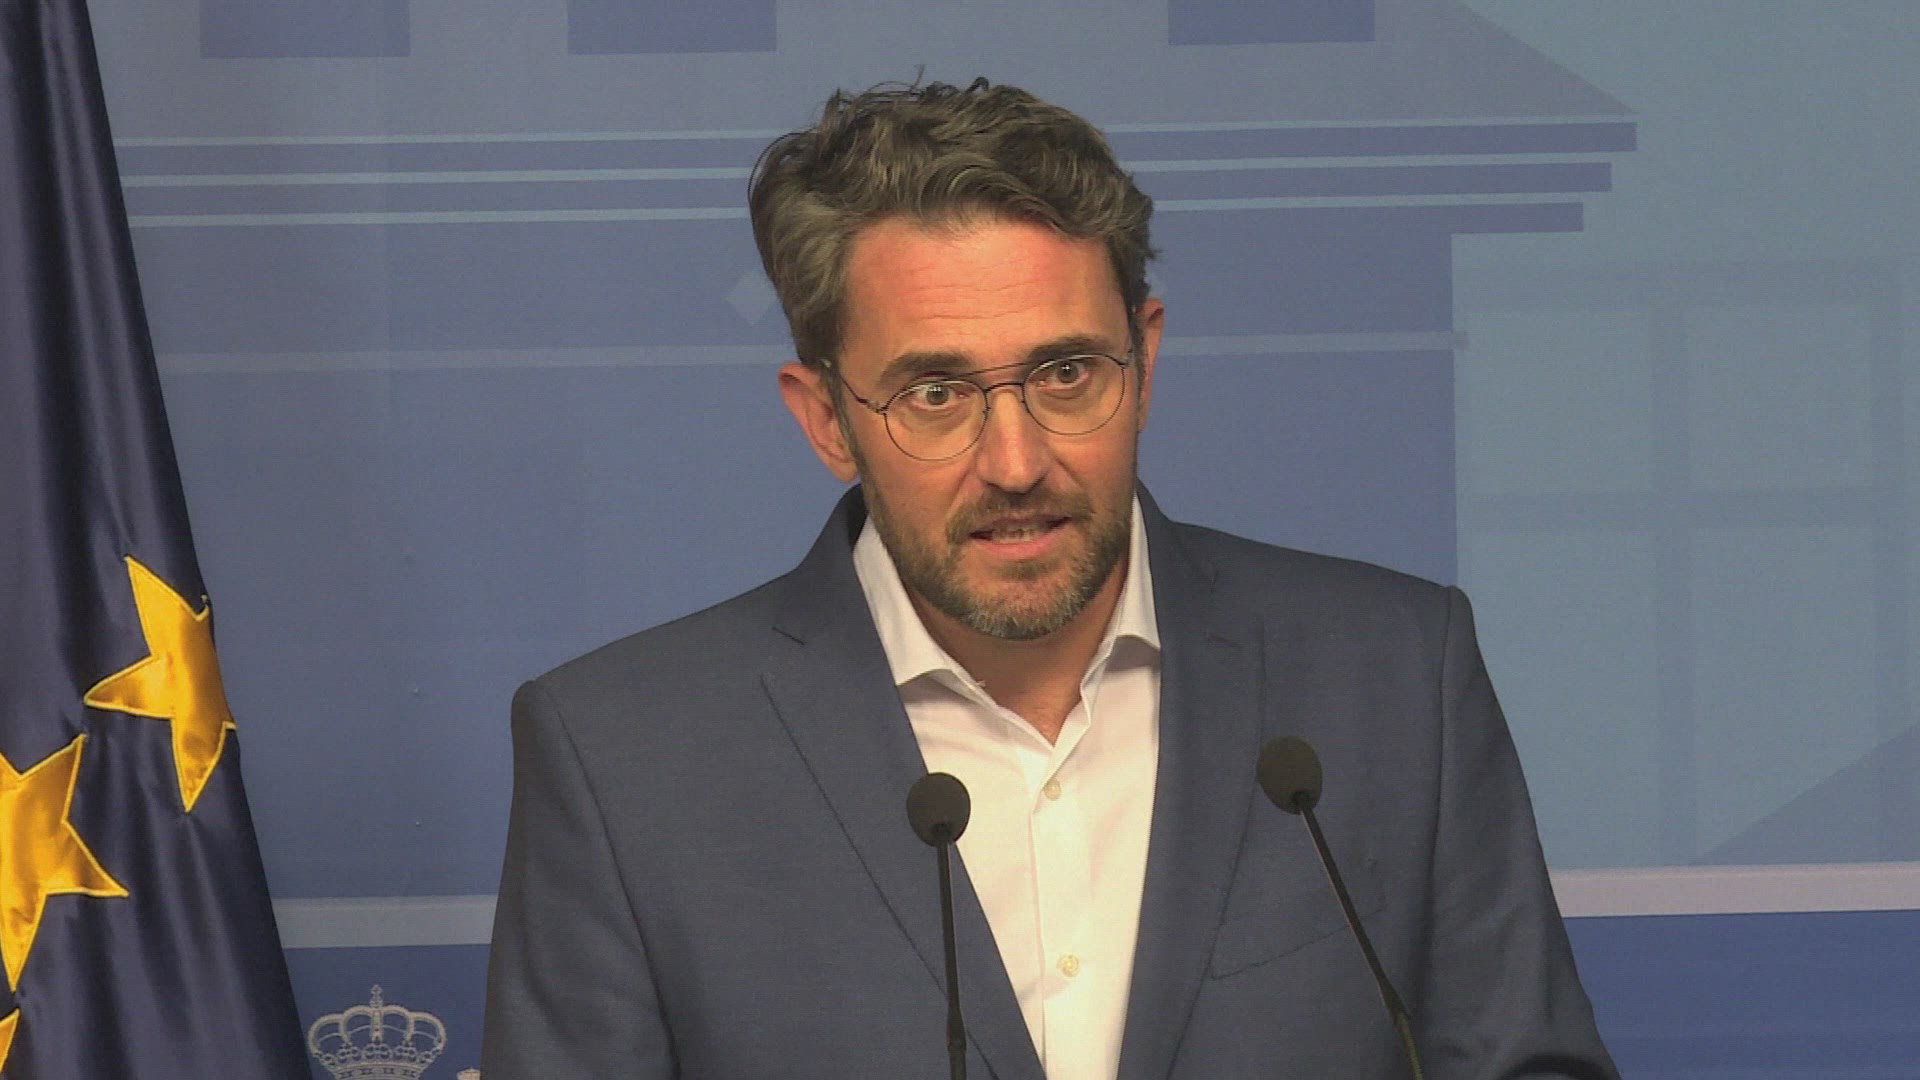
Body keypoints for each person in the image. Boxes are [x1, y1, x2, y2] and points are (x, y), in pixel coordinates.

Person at [482, 79, 1618, 1080]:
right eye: (935, 394)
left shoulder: (1393, 677)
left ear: (1145, 359)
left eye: (1067, 373)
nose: (1017, 462)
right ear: (827, 419)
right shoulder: (623, 758)